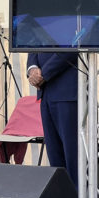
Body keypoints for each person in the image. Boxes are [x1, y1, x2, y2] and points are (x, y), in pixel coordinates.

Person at [27, 52, 78, 185]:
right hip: (46, 93)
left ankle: (77, 197)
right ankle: (61, 195)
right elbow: (32, 44)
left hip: (67, 93)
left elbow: (72, 47)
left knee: (73, 155)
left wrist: (44, 74)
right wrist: (32, 68)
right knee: (54, 156)